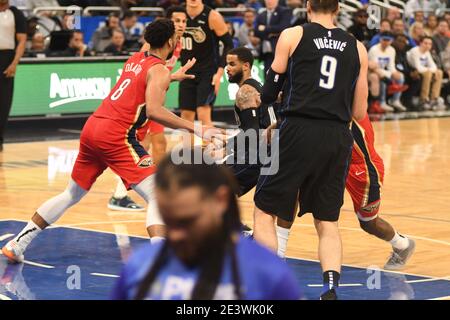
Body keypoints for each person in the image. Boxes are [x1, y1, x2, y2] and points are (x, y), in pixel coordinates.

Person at [1, 19, 224, 263]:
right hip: (116, 135)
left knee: (71, 194)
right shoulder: (158, 69)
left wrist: (172, 77)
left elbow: (144, 81)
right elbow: (154, 111)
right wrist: (198, 128)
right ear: (171, 41)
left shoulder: (136, 59)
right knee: (160, 196)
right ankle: (159, 262)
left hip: (93, 127)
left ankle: (16, 244)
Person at [252, 0, 367, 300]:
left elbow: (267, 93)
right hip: (338, 135)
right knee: (327, 221)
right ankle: (330, 288)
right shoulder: (357, 47)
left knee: (264, 211)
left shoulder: (292, 35)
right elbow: (360, 108)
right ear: (339, 8)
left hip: (298, 129)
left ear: (307, 5)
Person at [111, 149, 302, 300]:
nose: (175, 235)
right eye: (168, 220)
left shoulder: (267, 272)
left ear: (220, 200)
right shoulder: (139, 268)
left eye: (187, 221)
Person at [108, 6, 187, 213]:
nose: (181, 25)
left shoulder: (177, 46)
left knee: (158, 144)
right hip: (141, 106)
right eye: (177, 21)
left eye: (184, 21)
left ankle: (151, 188)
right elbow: (140, 71)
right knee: (144, 145)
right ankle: (121, 193)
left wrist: (174, 77)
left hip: (154, 101)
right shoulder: (152, 45)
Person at [179, 0, 234, 126]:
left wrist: (219, 72)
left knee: (203, 112)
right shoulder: (179, 15)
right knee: (186, 116)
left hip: (208, 72)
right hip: (186, 72)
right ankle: (189, 147)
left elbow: (228, 44)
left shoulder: (212, 16)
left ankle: (210, 146)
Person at [0, 0, 26, 152]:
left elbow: (22, 41)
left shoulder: (16, 13)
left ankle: (0, 139)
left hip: (6, 60)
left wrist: (14, 63)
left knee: (3, 102)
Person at [368, 32, 407, 112]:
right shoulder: (374, 50)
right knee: (381, 78)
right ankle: (382, 102)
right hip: (372, 71)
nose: (386, 42)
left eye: (388, 40)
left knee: (400, 76)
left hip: (383, 72)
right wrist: (388, 75)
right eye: (384, 40)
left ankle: (395, 100)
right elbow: (374, 67)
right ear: (380, 40)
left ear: (391, 41)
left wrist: (394, 73)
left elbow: (391, 66)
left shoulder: (392, 50)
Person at [407, 36, 445, 110]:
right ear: (420, 43)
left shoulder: (427, 52)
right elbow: (418, 67)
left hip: (423, 71)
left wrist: (433, 70)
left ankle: (434, 99)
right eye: (425, 43)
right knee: (428, 73)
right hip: (412, 71)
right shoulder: (415, 51)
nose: (428, 45)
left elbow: (434, 66)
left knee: (439, 72)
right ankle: (424, 99)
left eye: (430, 44)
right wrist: (431, 70)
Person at [254, 0, 292, 74]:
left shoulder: (285, 11)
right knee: (267, 76)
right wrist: (272, 33)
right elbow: (256, 31)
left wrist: (265, 28)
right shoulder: (261, 14)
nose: (269, 1)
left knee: (281, 76)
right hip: (266, 53)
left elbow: (283, 27)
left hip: (280, 50)